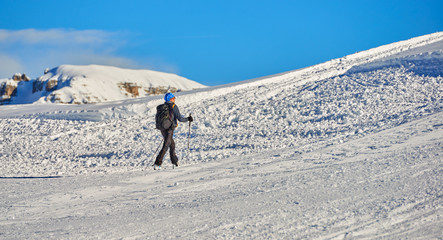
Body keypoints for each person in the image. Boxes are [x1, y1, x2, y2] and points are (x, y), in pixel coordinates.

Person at [154, 93, 193, 168]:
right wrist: (188, 119)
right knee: (166, 145)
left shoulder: (162, 107)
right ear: (171, 99)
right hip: (170, 129)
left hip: (162, 128)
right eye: (173, 97)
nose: (175, 99)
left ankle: (175, 162)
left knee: (172, 145)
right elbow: (180, 119)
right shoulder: (174, 106)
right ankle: (157, 163)